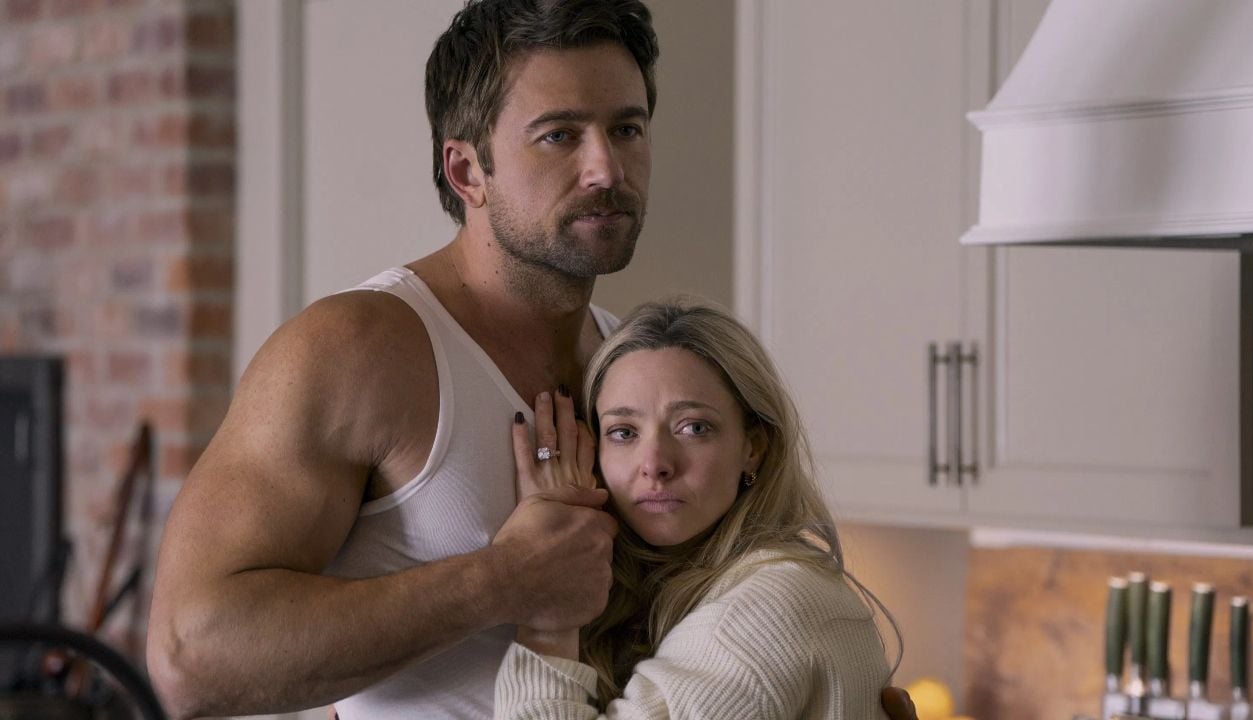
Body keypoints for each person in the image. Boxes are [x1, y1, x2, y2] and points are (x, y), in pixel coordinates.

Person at [146, 1, 919, 718]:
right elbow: (189, 657)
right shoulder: (358, 350)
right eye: (560, 135)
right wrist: (503, 581)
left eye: (627, 129)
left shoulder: (632, 373)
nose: (607, 170)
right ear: (467, 172)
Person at [494, 300, 899, 719]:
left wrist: (550, 621)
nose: (654, 464)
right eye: (624, 432)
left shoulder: (767, 607)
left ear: (753, 448)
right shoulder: (685, 590)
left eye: (693, 427)